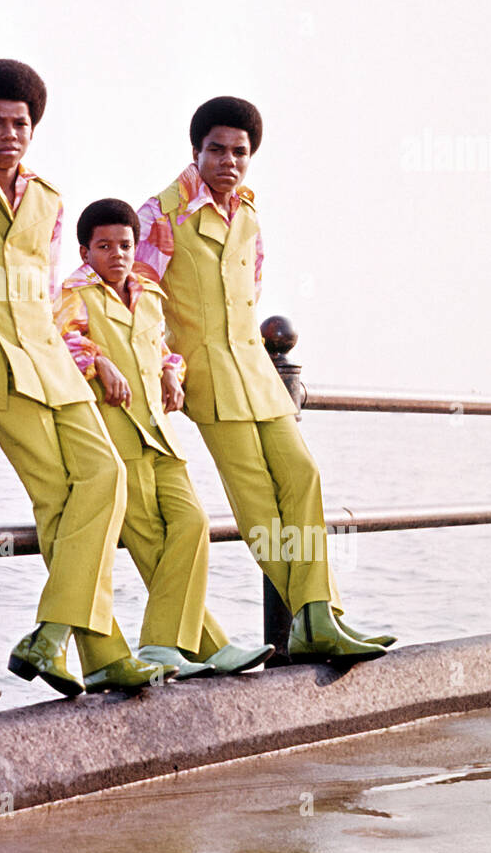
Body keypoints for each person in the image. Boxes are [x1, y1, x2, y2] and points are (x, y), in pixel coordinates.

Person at [0, 59, 167, 696]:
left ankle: (50, 633)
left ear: (32, 128)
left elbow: (45, 292)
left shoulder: (48, 197)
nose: (9, 133)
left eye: (20, 123)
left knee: (106, 475)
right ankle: (101, 653)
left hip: (51, 359)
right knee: (58, 498)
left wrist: (80, 353)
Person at [134, 97, 396, 662]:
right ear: (196, 150)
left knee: (303, 473)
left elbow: (249, 293)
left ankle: (318, 615)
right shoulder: (160, 213)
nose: (228, 161)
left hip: (256, 369)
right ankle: (313, 619)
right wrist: (164, 365)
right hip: (203, 374)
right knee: (257, 502)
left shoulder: (249, 215)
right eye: (217, 150)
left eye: (240, 153)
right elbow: (141, 299)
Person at [54, 198, 274, 677]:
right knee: (151, 540)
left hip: (161, 432)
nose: (117, 254)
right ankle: (200, 648)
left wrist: (173, 371)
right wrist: (98, 360)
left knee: (192, 523)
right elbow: (58, 339)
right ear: (84, 250)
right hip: (116, 437)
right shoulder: (74, 292)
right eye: (104, 246)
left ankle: (166, 646)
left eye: (125, 245)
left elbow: (163, 348)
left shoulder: (149, 294)